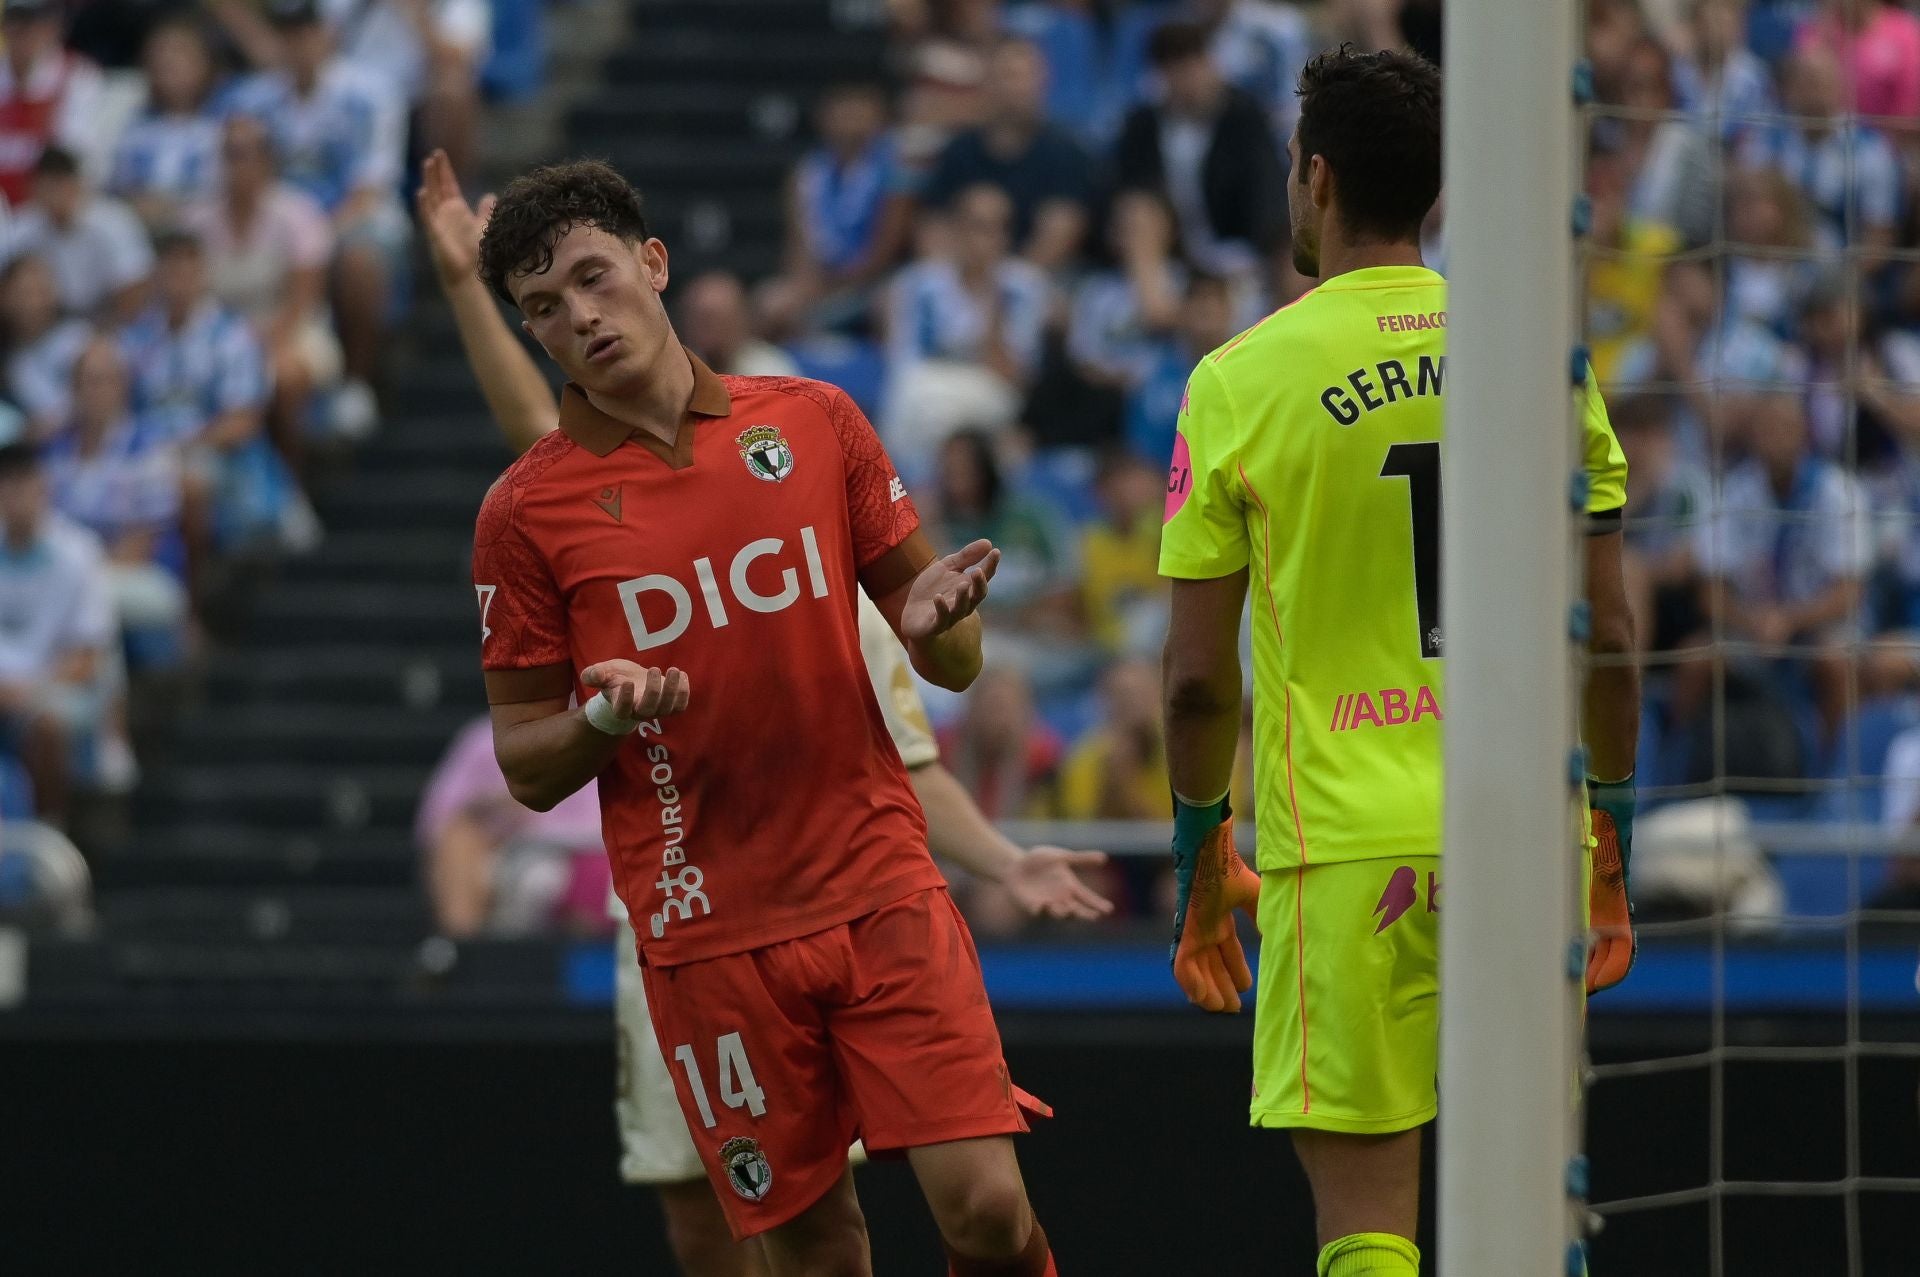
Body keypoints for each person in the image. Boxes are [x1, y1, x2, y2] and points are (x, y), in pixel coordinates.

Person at [418, 145, 1112, 1274]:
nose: (578, 317)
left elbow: (957, 664)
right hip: (707, 931)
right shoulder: (524, 512)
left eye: (593, 277)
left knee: (985, 1206)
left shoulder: (815, 419)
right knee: (810, 1254)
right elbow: (524, 763)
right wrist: (600, 720)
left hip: (878, 882)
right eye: (542, 307)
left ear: (654, 261)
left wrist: (939, 625)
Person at [1156, 48, 1639, 1277]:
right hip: (1526, 837)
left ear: (1314, 178)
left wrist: (1199, 860)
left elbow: (1195, 682)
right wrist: (1608, 842)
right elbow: (1615, 641)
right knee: (1531, 1213)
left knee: (1370, 1230)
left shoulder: (1238, 380)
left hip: (1347, 843)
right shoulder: (1545, 354)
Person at [1115, 21, 1288, 282]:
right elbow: (1128, 197)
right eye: (1176, 70)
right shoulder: (1142, 127)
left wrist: (1261, 252)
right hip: (1168, 260)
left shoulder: (1244, 119)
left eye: (1195, 65)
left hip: (1237, 256)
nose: (1189, 80)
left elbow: (1265, 195)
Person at [0, 441, 117, 825]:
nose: (16, 495)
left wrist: (28, 690)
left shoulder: (80, 553)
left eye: (24, 483)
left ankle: (48, 832)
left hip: (50, 688)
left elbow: (86, 658)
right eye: (7, 484)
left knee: (48, 723)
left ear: (43, 487)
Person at [920, 36, 1096, 271]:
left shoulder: (1065, 152)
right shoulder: (959, 150)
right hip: (964, 280)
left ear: (1044, 81)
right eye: (1009, 75)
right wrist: (957, 287)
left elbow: (1060, 234)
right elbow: (935, 226)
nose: (1019, 87)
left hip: (1040, 280)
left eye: (1028, 76)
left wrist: (1007, 289)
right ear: (988, 82)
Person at [8, 146, 154, 324]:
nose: (52, 195)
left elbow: (135, 287)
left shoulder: (113, 221)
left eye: (58, 186)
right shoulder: (26, 226)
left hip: (110, 319)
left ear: (75, 184)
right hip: (53, 324)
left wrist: (104, 334)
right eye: (45, 187)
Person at [109, 16, 227, 228]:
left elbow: (222, 194)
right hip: (137, 227)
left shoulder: (218, 130)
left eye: (179, 52)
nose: (166, 59)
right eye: (159, 51)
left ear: (205, 64)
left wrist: (172, 209)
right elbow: (114, 187)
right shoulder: (130, 127)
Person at [0, 0, 108, 205]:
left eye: (36, 24)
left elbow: (74, 160)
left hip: (47, 211)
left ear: (53, 28)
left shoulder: (77, 76)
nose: (27, 34)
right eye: (18, 23)